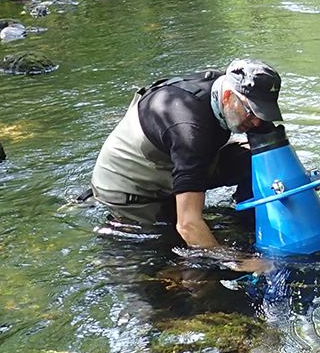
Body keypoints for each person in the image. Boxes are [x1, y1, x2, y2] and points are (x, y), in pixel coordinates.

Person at [91, 59, 283, 269]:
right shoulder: (189, 131)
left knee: (252, 159)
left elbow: (269, 140)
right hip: (131, 191)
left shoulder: (231, 90)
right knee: (180, 257)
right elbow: (188, 226)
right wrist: (240, 262)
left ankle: (246, 220)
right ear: (228, 97)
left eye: (263, 111)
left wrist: (294, 178)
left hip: (173, 160)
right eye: (253, 112)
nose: (257, 121)